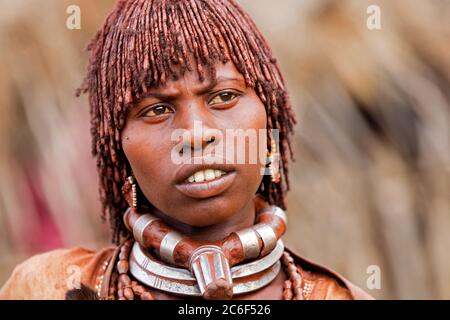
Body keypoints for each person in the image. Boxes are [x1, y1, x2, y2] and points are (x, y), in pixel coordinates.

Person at [0, 0, 372, 300]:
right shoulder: (47, 287)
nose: (195, 135)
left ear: (270, 133)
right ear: (119, 152)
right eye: (157, 109)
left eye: (224, 97)